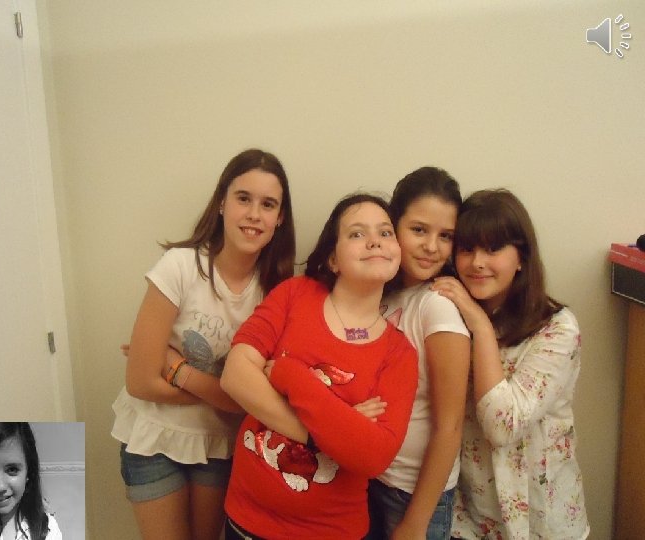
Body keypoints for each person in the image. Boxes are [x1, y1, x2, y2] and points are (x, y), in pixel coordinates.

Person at [111, 148, 296, 540]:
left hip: (219, 445)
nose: (253, 214)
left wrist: (176, 369)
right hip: (153, 437)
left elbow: (250, 401)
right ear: (222, 203)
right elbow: (140, 383)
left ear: (280, 218)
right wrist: (226, 394)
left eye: (267, 205)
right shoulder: (179, 266)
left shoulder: (279, 295)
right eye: (243, 198)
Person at [220, 193, 420, 540]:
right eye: (357, 233)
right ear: (333, 258)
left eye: (385, 232)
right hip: (246, 519)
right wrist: (330, 430)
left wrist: (289, 376)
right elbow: (235, 376)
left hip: (332, 531)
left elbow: (373, 456)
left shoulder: (399, 352)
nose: (375, 241)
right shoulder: (295, 294)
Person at [431, 189, 589, 539]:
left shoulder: (557, 328)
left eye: (493, 249)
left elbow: (502, 425)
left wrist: (481, 326)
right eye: (467, 249)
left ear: (521, 257)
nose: (477, 263)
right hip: (468, 518)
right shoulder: (448, 316)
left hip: (540, 521)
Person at [368, 167, 471, 539]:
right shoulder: (382, 294)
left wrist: (415, 523)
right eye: (419, 230)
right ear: (394, 225)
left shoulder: (438, 306)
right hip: (371, 478)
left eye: (446, 236)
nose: (431, 246)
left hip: (411, 494)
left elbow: (450, 427)